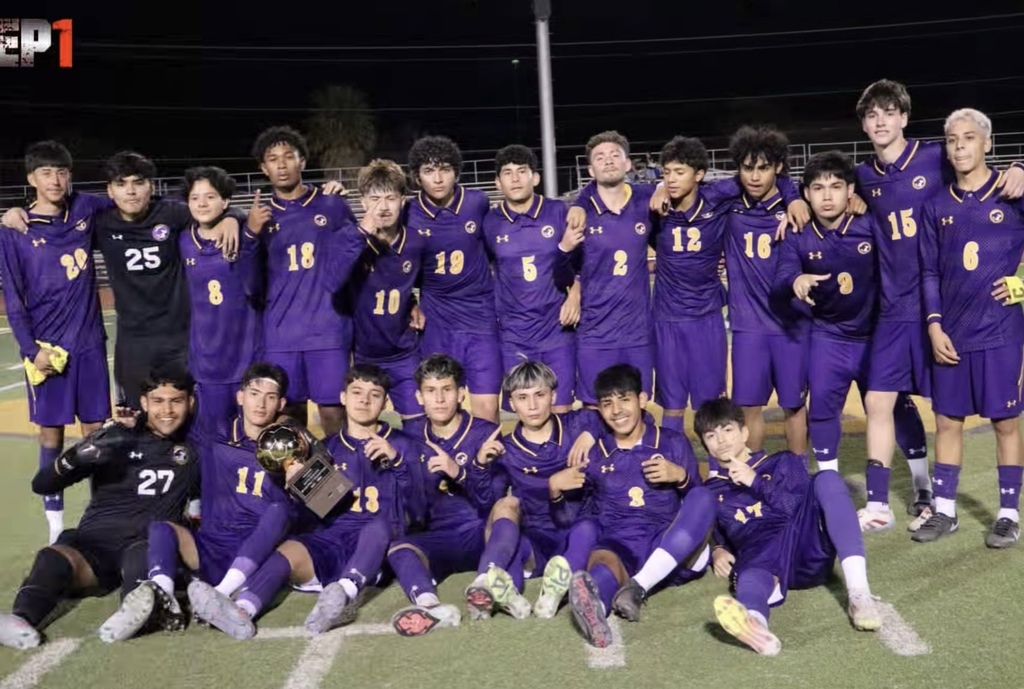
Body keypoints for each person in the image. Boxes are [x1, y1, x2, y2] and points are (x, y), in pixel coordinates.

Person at [851, 80, 1022, 522]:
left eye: (889, 113)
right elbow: (825, 192)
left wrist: (1021, 165)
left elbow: (984, 174)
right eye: (872, 116)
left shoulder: (935, 157)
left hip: (960, 312)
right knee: (891, 404)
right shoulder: (864, 176)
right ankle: (886, 503)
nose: (881, 121)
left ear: (905, 118)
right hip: (903, 309)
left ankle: (959, 500)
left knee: (966, 415)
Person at [187, 364, 426, 638]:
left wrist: (397, 461)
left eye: (374, 395)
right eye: (357, 392)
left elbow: (419, 513)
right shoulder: (326, 447)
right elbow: (321, 509)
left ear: (386, 402)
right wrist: (297, 483)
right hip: (329, 543)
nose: (364, 400)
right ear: (343, 397)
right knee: (287, 551)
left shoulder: (405, 444)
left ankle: (343, 592)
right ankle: (241, 610)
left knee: (379, 525)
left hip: (373, 549)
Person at [0, 151, 241, 418]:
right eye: (121, 184)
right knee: (136, 423)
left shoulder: (172, 213)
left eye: (138, 182)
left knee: (189, 417)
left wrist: (233, 217)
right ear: (110, 191)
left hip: (181, 340)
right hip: (132, 345)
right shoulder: (101, 222)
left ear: (151, 186)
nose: (131, 192)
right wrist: (18, 211)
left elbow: (217, 208)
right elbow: (55, 220)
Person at [0, 368, 200, 650]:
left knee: (143, 553)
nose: (166, 410)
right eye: (158, 401)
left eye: (176, 401)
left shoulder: (197, 447)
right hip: (94, 545)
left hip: (146, 543)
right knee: (52, 557)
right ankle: (21, 619)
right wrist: (75, 457)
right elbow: (42, 485)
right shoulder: (115, 437)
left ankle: (132, 613)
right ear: (143, 403)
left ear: (190, 402)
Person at [96, 363, 295, 642]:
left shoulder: (295, 442)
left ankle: (222, 594)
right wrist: (136, 424)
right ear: (240, 397)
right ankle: (161, 594)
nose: (260, 404)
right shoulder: (214, 436)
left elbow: (326, 495)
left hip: (257, 556)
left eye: (270, 397)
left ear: (281, 404)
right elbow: (168, 420)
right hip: (210, 549)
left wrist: (300, 462)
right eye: (254, 394)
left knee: (280, 510)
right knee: (161, 528)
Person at [776, 151, 927, 510]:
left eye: (836, 186)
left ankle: (923, 487)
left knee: (897, 408)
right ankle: (830, 490)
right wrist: (796, 279)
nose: (827, 196)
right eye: (818, 188)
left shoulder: (870, 223)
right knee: (823, 411)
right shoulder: (798, 233)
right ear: (806, 194)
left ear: (850, 191)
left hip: (879, 335)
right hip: (830, 336)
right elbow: (781, 276)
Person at [915, 108, 1024, 547]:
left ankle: (1008, 513)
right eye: (952, 140)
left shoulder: (1012, 192)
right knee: (946, 423)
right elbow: (928, 273)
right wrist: (934, 325)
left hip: (1001, 332)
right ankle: (944, 512)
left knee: (1006, 424)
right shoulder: (936, 206)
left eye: (969, 138)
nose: (959, 146)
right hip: (953, 335)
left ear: (987, 144)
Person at [697, 397, 880, 656]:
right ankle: (756, 626)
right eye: (711, 435)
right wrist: (718, 548)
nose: (722, 440)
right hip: (761, 556)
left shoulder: (781, 462)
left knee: (827, 479)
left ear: (744, 432)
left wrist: (755, 481)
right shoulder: (710, 491)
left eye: (728, 430)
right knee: (749, 571)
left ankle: (860, 594)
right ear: (705, 444)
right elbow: (711, 529)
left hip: (804, 547)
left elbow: (795, 505)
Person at [549, 364, 714, 648]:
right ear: (599, 410)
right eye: (607, 403)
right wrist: (554, 491)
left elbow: (699, 510)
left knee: (705, 497)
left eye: (624, 399)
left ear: (642, 399)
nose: (617, 410)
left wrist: (682, 478)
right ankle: (595, 607)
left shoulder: (671, 442)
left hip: (671, 542)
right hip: (621, 545)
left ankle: (639, 586)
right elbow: (573, 520)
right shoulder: (595, 456)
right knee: (601, 563)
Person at [0, 141, 112, 543]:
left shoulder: (84, 209)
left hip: (89, 346)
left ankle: (102, 518)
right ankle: (55, 529)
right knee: (51, 436)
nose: (56, 179)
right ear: (31, 179)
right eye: (46, 172)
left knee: (97, 432)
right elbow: (13, 297)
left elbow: (120, 197)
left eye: (62, 171)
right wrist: (33, 351)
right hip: (48, 352)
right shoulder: (15, 230)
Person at [457, 361, 599, 626]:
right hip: (537, 537)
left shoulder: (578, 423)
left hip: (576, 528)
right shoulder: (506, 449)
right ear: (511, 403)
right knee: (509, 520)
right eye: (523, 397)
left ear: (553, 396)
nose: (532, 406)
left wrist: (591, 434)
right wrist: (479, 465)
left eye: (540, 395)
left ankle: (559, 581)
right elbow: (485, 502)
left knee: (589, 527)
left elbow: (614, 417)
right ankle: (501, 590)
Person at [245, 126, 365, 436]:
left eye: (289, 157)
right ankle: (300, 484)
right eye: (273, 159)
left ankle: (341, 483)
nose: (281, 165)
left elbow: (357, 259)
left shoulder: (331, 205)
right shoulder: (258, 218)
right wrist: (251, 234)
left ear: (303, 162)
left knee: (334, 414)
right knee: (288, 416)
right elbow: (248, 282)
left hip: (327, 331)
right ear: (263, 168)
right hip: (281, 334)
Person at [388, 354, 499, 636]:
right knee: (399, 549)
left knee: (507, 523)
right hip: (435, 537)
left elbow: (492, 503)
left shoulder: (485, 433)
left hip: (477, 533)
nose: (439, 399)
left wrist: (458, 472)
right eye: (431, 391)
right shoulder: (410, 435)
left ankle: (489, 585)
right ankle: (430, 605)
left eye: (447, 390)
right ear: (419, 397)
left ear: (461, 394)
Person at [722, 126, 810, 455]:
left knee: (794, 407)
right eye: (748, 168)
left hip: (791, 326)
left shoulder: (797, 206)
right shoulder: (729, 205)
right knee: (749, 409)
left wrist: (796, 197)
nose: (755, 176)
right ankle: (753, 476)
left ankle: (798, 479)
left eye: (763, 167)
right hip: (748, 328)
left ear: (778, 168)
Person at [405, 135, 502, 422]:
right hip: (437, 321)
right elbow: (397, 262)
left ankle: (487, 467)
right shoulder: (408, 212)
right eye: (428, 171)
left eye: (445, 169)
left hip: (479, 319)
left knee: (486, 410)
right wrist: (410, 300)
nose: (438, 178)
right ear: (417, 176)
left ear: (456, 172)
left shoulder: (477, 202)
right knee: (442, 409)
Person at [560, 131, 658, 405]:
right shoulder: (579, 212)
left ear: (628, 164)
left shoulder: (645, 202)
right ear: (591, 169)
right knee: (595, 406)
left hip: (637, 331)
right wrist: (574, 290)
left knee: (638, 404)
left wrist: (661, 188)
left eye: (615, 155)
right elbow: (563, 267)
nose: (609, 161)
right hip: (595, 330)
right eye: (600, 157)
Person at [482, 145, 579, 413]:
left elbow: (585, 262)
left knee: (560, 409)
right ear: (497, 182)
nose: (515, 179)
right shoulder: (490, 223)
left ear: (535, 178)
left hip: (557, 330)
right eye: (507, 173)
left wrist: (576, 293)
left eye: (522, 171)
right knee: (527, 411)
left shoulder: (559, 212)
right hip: (515, 333)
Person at [179, 166, 263, 430]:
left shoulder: (244, 236)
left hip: (247, 356)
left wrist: (236, 220)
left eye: (210, 196)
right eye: (195, 197)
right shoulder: (181, 241)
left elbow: (255, 286)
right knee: (212, 438)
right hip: (206, 363)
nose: (202, 203)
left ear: (225, 201)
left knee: (253, 437)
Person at [344, 159, 425, 419]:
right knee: (364, 431)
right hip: (365, 355)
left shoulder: (415, 242)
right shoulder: (351, 242)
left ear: (403, 199)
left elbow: (424, 284)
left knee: (418, 427)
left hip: (405, 353)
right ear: (363, 201)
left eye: (391, 197)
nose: (383, 206)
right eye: (375, 198)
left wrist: (413, 300)